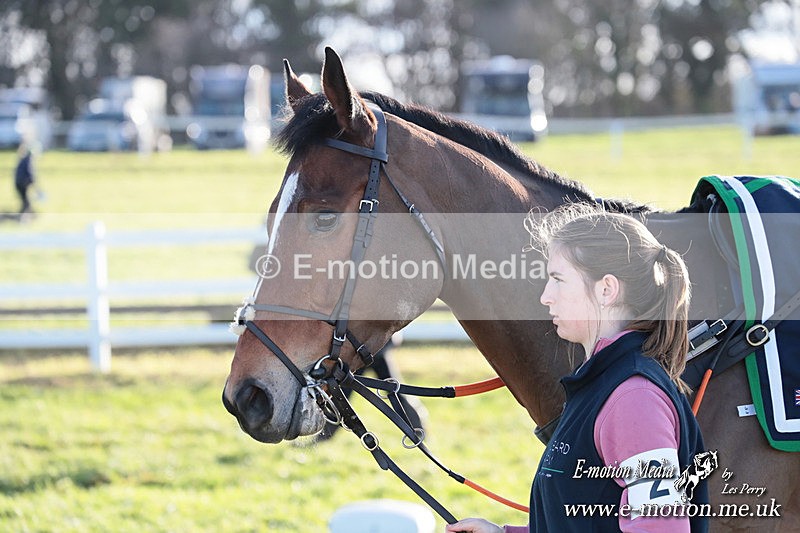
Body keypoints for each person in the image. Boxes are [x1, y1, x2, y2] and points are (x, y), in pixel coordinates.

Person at [447, 204, 708, 533]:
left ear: (606, 289)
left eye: (558, 280)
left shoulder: (634, 400)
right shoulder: (603, 383)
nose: (545, 297)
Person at [315, 335, 427, 441]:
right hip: (368, 348)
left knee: (342, 393)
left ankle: (326, 432)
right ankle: (416, 427)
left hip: (367, 350)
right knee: (394, 390)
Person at [14, 143, 36, 216]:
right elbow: (30, 173)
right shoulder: (28, 161)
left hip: (18, 183)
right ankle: (24, 216)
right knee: (26, 201)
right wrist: (34, 183)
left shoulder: (23, 160)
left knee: (25, 200)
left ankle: (27, 214)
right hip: (21, 184)